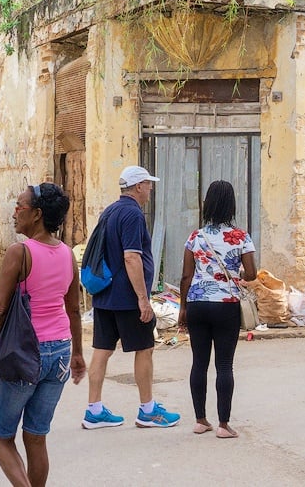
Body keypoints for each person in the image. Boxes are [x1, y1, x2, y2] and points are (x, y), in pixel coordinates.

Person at [0, 183, 86, 486]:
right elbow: (73, 310)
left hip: (25, 353)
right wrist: (77, 354)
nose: (14, 212)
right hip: (60, 351)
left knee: (1, 435)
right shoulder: (66, 254)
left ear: (36, 214)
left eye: (20, 206)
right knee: (36, 436)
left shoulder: (19, 253)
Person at [83, 165, 180, 429]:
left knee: (101, 351)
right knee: (145, 349)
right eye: (148, 184)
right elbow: (131, 256)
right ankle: (147, 410)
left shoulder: (110, 211)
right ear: (138, 186)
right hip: (127, 298)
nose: (150, 189)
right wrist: (142, 299)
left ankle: (94, 409)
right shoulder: (132, 214)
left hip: (105, 295)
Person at [178, 180, 257, 439]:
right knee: (224, 364)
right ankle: (224, 425)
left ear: (207, 204)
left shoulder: (196, 236)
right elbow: (252, 273)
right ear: (231, 205)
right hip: (227, 306)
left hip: (198, 304)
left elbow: (186, 277)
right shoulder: (241, 237)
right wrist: (235, 273)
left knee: (198, 363)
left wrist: (183, 308)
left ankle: (200, 421)